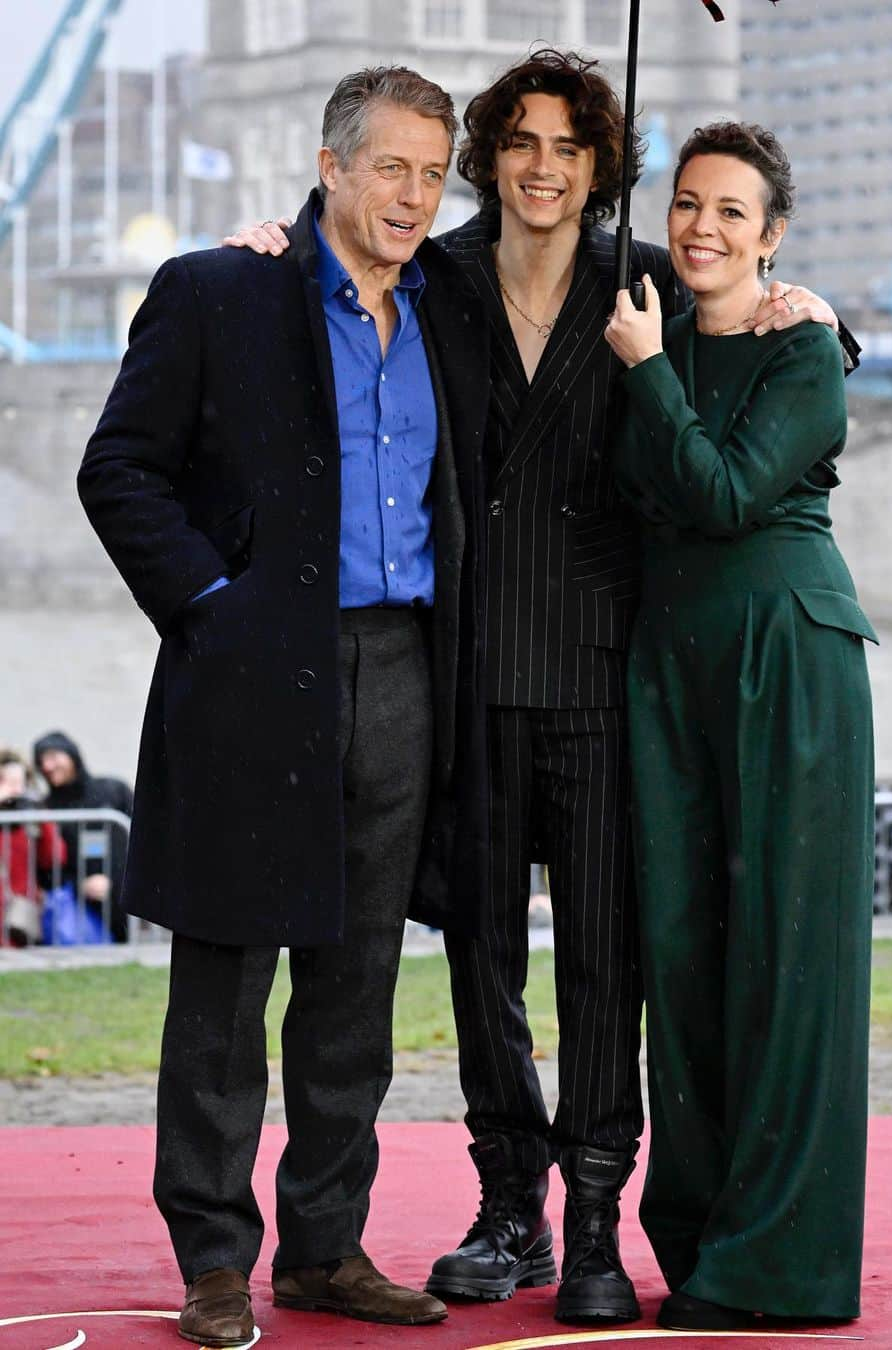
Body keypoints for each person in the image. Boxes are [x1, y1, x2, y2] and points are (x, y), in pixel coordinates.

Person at [227, 50, 855, 1326]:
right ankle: (506, 1201)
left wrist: (829, 310)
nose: (544, 165)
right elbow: (338, 274)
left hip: (605, 666)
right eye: (520, 139)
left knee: (607, 966)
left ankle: (594, 1224)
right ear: (493, 157)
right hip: (467, 661)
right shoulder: (440, 275)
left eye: (570, 144)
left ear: (596, 162)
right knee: (481, 959)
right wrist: (271, 249)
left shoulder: (646, 278)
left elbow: (742, 336)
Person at [78, 67, 489, 1347]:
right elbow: (120, 470)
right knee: (223, 980)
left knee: (356, 985)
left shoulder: (452, 309)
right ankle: (213, 1260)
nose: (414, 195)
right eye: (390, 168)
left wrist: (785, 298)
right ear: (330, 165)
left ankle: (324, 1249)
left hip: (405, 674)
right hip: (254, 675)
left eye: (433, 173)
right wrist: (212, 602)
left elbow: (582, 266)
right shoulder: (220, 289)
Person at [604, 121, 877, 1332]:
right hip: (668, 668)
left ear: (773, 237)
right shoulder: (639, 308)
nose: (702, 227)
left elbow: (720, 493)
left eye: (731, 212)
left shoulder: (802, 344)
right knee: (686, 956)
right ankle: (705, 1232)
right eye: (687, 206)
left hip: (787, 659)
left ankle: (784, 1265)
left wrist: (651, 372)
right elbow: (510, 241)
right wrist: (298, 224)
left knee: (788, 958)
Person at [32, 730, 132, 942]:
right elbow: (47, 866)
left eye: (52, 757)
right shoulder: (46, 808)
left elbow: (140, 839)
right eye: (42, 761)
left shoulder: (113, 790)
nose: (47, 766)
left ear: (71, 755)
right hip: (81, 906)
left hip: (125, 895)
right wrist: (81, 885)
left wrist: (117, 880)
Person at [0, 749, 66, 947]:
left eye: (18, 782)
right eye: (5, 781)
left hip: (18, 913)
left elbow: (55, 858)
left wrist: (40, 817)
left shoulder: (30, 818)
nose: (14, 789)